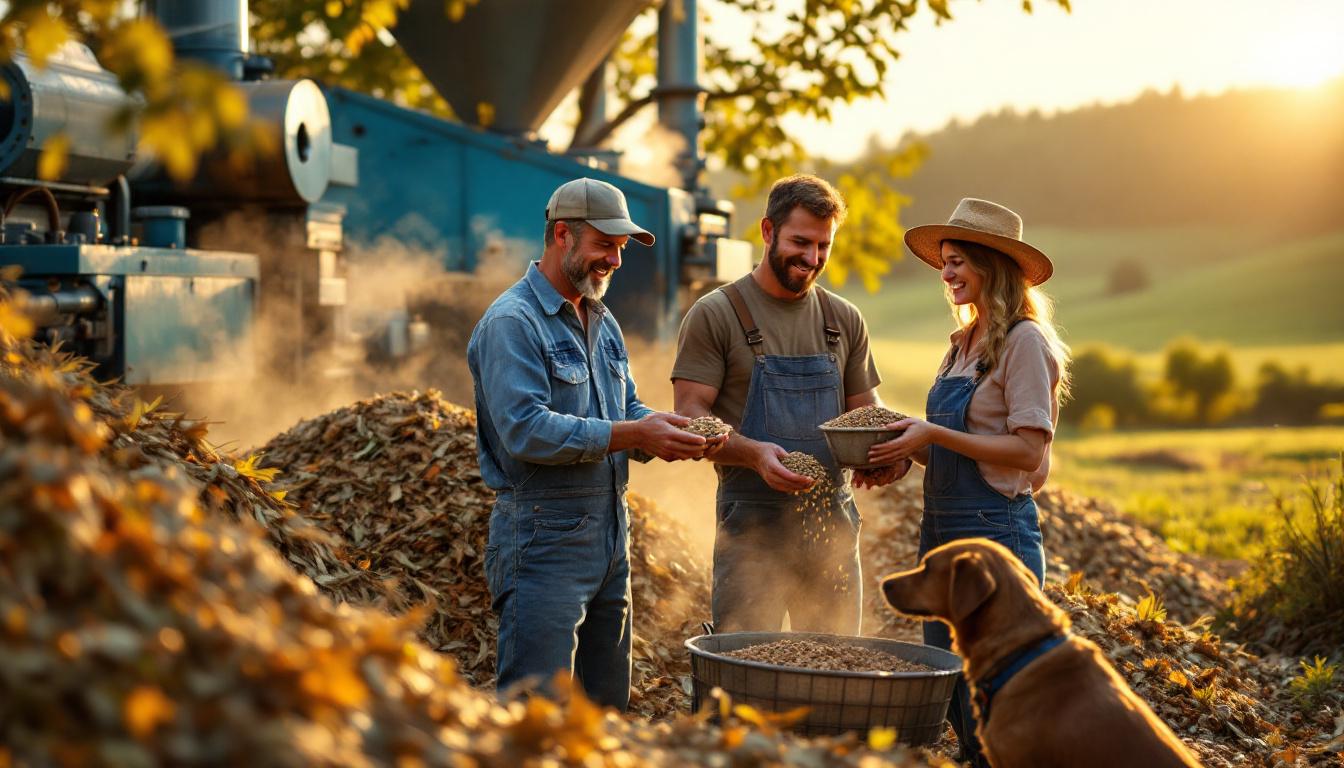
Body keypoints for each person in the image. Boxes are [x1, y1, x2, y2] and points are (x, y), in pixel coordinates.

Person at [467, 177, 719, 711]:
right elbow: (526, 429)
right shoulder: (513, 323)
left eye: (621, 248)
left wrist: (667, 430)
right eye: (606, 245)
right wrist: (634, 434)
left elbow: (623, 408)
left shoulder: (601, 320)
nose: (616, 261)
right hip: (542, 537)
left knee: (605, 707)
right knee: (539, 710)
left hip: (609, 535)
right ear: (563, 235)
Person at [867, 197, 1072, 767]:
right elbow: (961, 448)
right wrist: (902, 453)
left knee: (1001, 698)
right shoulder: (961, 344)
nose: (947, 273)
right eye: (945, 262)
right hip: (942, 536)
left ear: (992, 266)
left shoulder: (1024, 342)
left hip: (994, 538)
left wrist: (931, 435)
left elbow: (1031, 454)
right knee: (955, 687)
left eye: (958, 261)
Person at [671, 174, 908, 636]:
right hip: (751, 528)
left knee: (833, 665)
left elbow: (867, 412)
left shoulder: (843, 319)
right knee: (745, 666)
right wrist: (755, 454)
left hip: (831, 527)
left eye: (824, 246)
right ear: (767, 231)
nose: (812, 258)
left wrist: (884, 456)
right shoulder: (717, 314)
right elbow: (689, 414)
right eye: (800, 242)